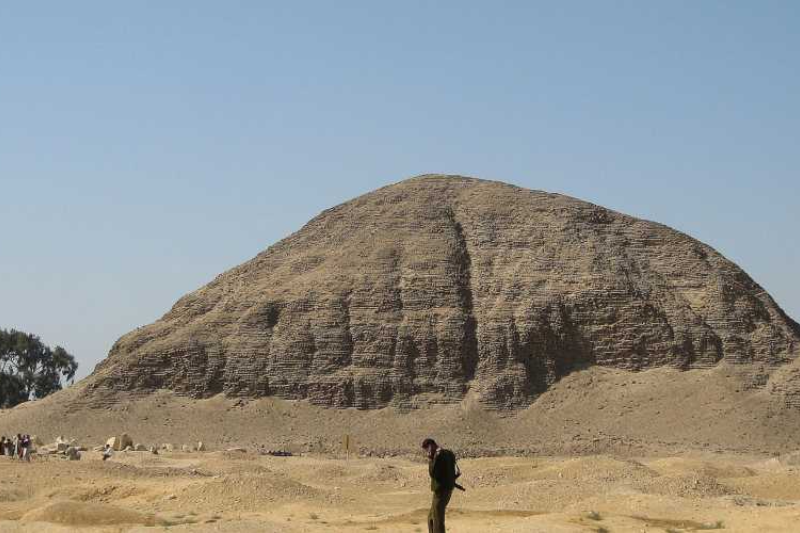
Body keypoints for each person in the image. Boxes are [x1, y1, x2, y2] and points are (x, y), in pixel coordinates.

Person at [422, 438, 460, 533]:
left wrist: (431, 459)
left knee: (437, 519)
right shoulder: (448, 453)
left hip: (441, 491)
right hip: (447, 489)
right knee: (431, 517)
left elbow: (433, 473)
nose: (427, 451)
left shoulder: (438, 456)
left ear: (431, 445)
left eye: (427, 449)